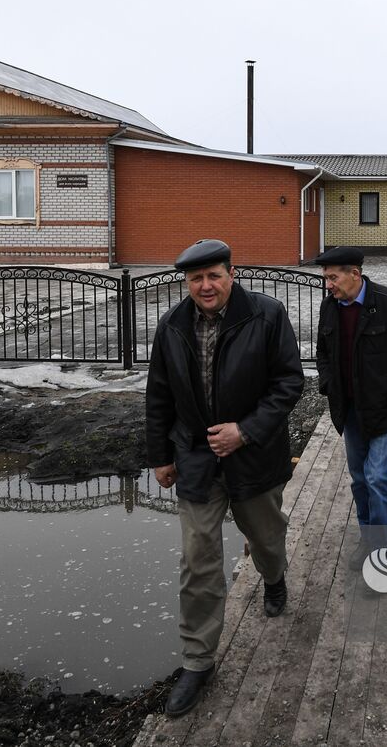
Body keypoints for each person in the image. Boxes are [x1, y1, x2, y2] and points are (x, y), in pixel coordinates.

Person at [145, 239, 304, 717]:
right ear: (186, 283)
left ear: (231, 273)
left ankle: (273, 578)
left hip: (253, 457)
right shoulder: (172, 325)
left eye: (214, 275)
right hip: (195, 458)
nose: (205, 286)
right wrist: (160, 456)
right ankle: (198, 660)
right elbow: (158, 394)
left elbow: (289, 381)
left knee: (267, 536)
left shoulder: (266, 315)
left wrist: (246, 431)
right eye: (196, 279)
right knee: (198, 560)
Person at [311, 247, 387, 566]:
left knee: (377, 476)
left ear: (355, 275)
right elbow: (322, 351)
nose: (328, 285)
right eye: (326, 278)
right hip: (349, 411)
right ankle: (368, 538)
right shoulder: (330, 307)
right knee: (360, 479)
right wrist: (328, 383)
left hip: (385, 411)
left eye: (333, 277)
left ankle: (383, 548)